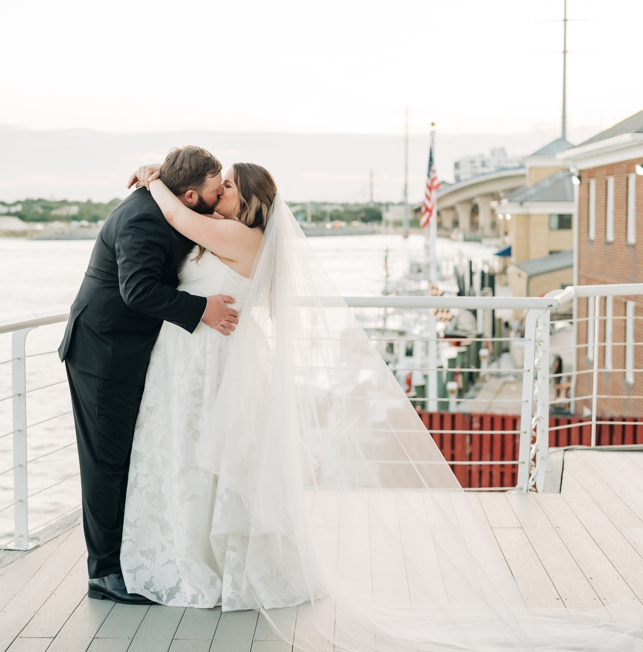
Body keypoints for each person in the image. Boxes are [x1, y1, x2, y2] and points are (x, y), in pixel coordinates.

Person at [117, 160, 643, 650]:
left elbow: (172, 214)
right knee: (208, 461)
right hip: (203, 362)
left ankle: (217, 564)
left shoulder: (237, 234)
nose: (218, 190)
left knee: (216, 462)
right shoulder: (232, 233)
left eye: (228, 184)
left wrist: (153, 177)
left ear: (249, 200)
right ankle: (207, 556)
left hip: (215, 362)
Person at [58, 146, 239, 604]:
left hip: (130, 351)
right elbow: (137, 290)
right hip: (103, 353)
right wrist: (202, 310)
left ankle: (126, 557)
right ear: (192, 194)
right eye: (216, 191)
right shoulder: (141, 217)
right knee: (105, 463)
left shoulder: (169, 203)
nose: (220, 198)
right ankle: (103, 574)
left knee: (126, 456)